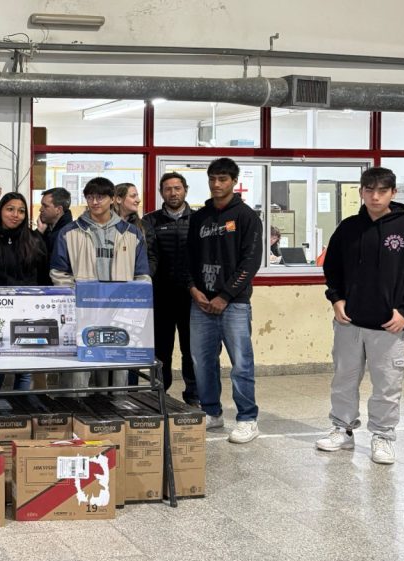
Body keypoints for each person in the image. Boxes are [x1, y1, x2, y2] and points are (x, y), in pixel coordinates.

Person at [317, 167, 404, 465]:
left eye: (382, 190)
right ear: (360, 191)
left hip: (390, 325)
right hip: (349, 323)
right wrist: (336, 299)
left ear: (393, 193)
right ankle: (342, 431)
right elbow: (331, 268)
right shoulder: (348, 228)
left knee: (387, 385)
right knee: (343, 380)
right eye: (369, 190)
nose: (375, 196)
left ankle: (383, 437)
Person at [187, 157, 262, 444]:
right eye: (212, 179)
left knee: (241, 362)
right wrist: (193, 288)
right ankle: (211, 412)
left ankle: (247, 419)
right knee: (202, 361)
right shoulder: (199, 217)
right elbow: (189, 259)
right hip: (200, 302)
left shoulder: (246, 217)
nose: (216, 184)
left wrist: (225, 296)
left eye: (222, 179)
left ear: (233, 181)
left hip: (235, 304)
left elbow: (250, 261)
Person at [51, 178, 151, 389]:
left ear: (113, 199)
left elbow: (142, 275)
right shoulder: (70, 232)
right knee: (80, 373)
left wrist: (132, 306)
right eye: (90, 197)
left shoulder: (131, 234)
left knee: (117, 373)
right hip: (84, 312)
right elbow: (58, 273)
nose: (94, 202)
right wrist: (80, 297)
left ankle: (115, 413)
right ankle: (80, 415)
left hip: (119, 313)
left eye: (100, 197)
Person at [0, 192, 50, 391]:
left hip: (28, 314)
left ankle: (21, 413)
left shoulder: (35, 241)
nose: (15, 215)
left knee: (24, 369)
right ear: (1, 211)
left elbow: (44, 280)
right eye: (10, 209)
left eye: (21, 211)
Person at [143, 172, 198, 405]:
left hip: (192, 297)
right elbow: (149, 256)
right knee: (161, 351)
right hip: (161, 297)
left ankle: (194, 396)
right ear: (161, 192)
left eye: (177, 188)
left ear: (185, 189)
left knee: (191, 351)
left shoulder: (198, 219)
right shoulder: (150, 221)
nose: (173, 193)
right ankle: (159, 394)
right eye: (168, 189)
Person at [38, 186, 73, 260]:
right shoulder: (47, 230)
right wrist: (39, 233)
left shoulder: (68, 235)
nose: (40, 209)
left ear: (58, 210)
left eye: (45, 206)